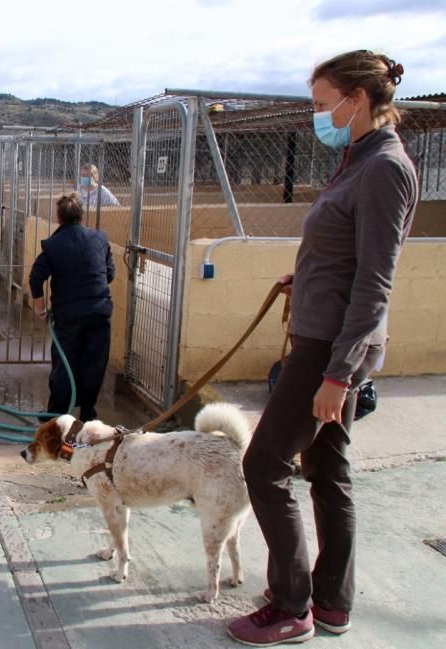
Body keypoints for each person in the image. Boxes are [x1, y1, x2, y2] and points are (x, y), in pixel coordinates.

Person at [228, 51, 416, 646]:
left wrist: (337, 373)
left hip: (328, 351)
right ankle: (332, 602)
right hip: (327, 337)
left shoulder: (385, 167)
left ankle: (291, 605)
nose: (318, 116)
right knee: (327, 468)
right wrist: (302, 277)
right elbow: (344, 251)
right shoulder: (356, 159)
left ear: (356, 99)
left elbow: (375, 281)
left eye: (320, 103)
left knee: (264, 466)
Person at [29, 193, 115, 422]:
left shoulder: (53, 245)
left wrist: (41, 309)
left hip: (69, 315)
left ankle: (56, 414)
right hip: (99, 310)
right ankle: (88, 411)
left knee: (65, 362)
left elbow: (35, 278)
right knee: (94, 361)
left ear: (59, 218)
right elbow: (109, 274)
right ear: (81, 215)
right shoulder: (100, 238)